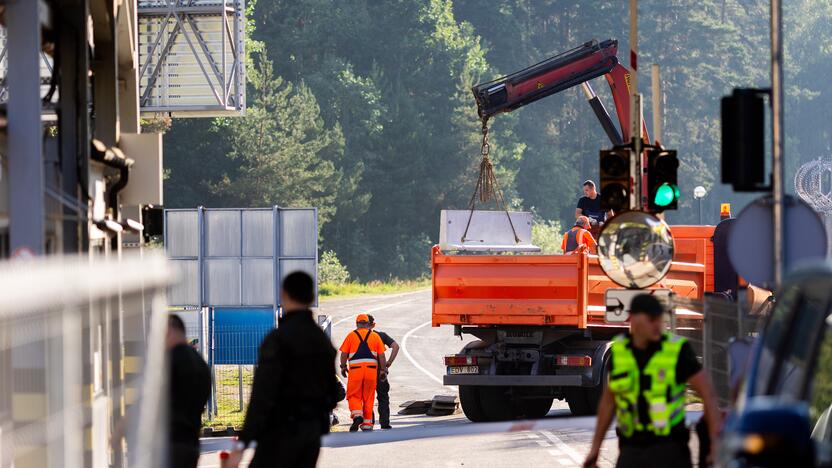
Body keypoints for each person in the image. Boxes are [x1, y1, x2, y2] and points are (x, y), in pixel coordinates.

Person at [583, 294, 720, 468]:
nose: (658, 324)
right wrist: (595, 449)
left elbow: (708, 394)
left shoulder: (677, 349)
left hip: (670, 450)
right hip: (631, 451)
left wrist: (715, 444)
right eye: (652, 318)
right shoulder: (620, 351)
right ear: (634, 318)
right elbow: (609, 403)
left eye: (660, 318)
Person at [230, 271, 341, 468]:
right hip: (312, 434)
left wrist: (244, 441)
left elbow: (263, 393)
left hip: (279, 432)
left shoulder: (279, 339)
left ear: (284, 294)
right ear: (312, 297)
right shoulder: (322, 341)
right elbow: (332, 392)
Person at [167, 314, 211, 468]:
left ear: (169, 330)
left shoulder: (169, 361)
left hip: (170, 444)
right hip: (191, 443)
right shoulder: (201, 364)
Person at [339, 314, 387, 432]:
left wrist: (343, 366)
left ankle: (357, 416)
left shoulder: (351, 336)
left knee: (353, 395)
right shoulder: (375, 336)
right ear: (368, 324)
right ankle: (367, 425)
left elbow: (343, 354)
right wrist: (382, 370)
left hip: (355, 371)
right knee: (368, 397)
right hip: (371, 371)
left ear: (357, 324)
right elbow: (382, 356)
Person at [368, 314, 400, 430]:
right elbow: (395, 346)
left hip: (365, 372)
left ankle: (369, 422)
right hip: (380, 371)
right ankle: (385, 423)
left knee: (367, 397)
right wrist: (389, 363)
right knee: (383, 396)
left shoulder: (356, 336)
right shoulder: (380, 335)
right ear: (373, 325)